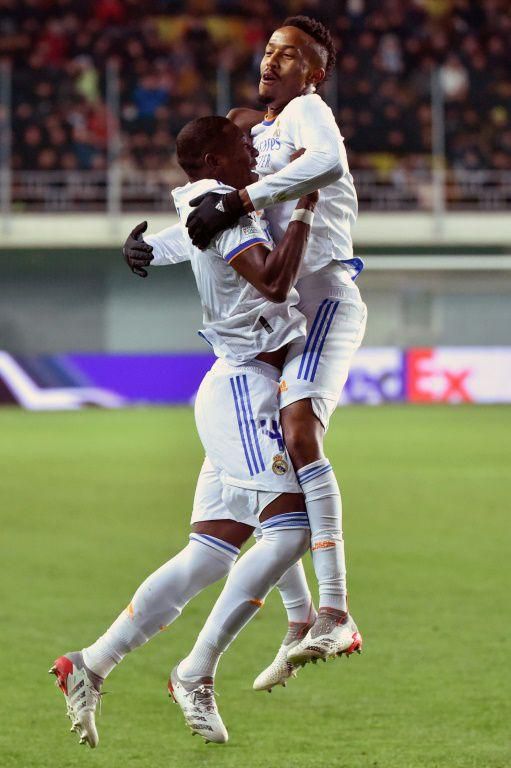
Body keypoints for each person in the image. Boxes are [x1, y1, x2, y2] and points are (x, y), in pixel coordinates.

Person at [50, 116, 318, 747]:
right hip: (244, 390)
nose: (251, 152)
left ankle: (90, 664)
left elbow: (196, 233)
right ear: (210, 159)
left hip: (238, 386)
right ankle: (198, 670)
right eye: (237, 148)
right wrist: (307, 203)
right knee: (295, 526)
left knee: (210, 554)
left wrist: (154, 247)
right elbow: (274, 279)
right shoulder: (215, 202)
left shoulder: (213, 203)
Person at [126, 15, 367, 681]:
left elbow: (327, 165)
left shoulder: (310, 113)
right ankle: (297, 619)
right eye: (269, 51)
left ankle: (336, 610)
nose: (273, 63)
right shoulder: (255, 135)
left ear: (313, 73)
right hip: (284, 317)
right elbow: (218, 230)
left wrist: (240, 199)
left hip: (321, 298)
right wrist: (156, 246)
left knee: (297, 432)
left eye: (290, 57)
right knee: (269, 477)